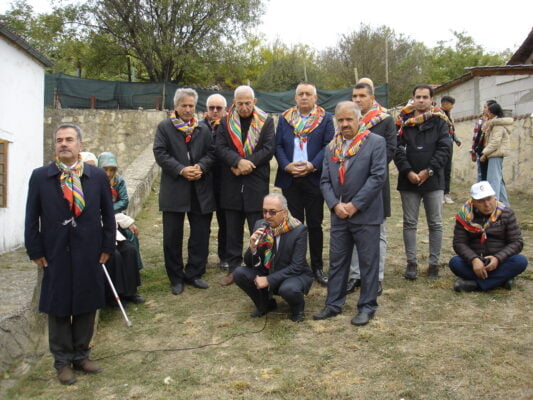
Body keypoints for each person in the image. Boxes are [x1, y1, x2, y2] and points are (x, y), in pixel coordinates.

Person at [25, 123, 115, 385]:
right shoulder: (41, 176)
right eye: (59, 140)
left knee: (87, 301)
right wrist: (34, 249)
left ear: (80, 145)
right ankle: (62, 361)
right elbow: (31, 216)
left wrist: (107, 246)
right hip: (55, 250)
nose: (63, 144)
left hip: (89, 249)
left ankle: (81, 355)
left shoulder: (96, 176)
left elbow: (108, 215)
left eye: (69, 139)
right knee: (59, 304)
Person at [313, 101, 386, 326]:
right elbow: (325, 181)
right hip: (339, 215)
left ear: (359, 119)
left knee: (368, 263)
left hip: (366, 215)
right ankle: (333, 304)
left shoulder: (375, 142)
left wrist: (355, 205)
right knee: (337, 262)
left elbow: (377, 177)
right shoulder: (331, 147)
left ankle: (367, 306)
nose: (344, 124)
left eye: (349, 119)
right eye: (340, 120)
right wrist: (335, 205)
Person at [153, 88, 215, 295]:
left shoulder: (203, 129)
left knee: (200, 234)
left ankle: (194, 273)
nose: (188, 109)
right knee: (172, 236)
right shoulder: (165, 127)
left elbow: (211, 153)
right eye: (184, 105)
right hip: (174, 188)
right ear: (176, 106)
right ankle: (176, 277)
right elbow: (160, 153)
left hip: (199, 189)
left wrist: (201, 167)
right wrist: (181, 169)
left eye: (191, 105)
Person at [274, 82, 334, 286]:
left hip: (314, 178)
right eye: (301, 94)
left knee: (315, 224)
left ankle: (317, 267)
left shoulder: (325, 118)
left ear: (315, 98)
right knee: (293, 225)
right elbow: (278, 145)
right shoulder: (285, 118)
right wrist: (286, 166)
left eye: (308, 94)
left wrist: (312, 165)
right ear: (295, 98)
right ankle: (296, 266)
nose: (304, 97)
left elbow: (328, 145)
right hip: (290, 178)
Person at [216, 85, 276, 286]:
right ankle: (234, 269)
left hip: (255, 181)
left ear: (254, 101)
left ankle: (258, 268)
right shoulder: (225, 122)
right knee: (232, 229)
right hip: (231, 182)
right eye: (240, 103)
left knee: (257, 228)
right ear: (234, 103)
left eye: (247, 103)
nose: (243, 107)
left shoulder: (266, 121)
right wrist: (236, 162)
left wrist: (246, 164)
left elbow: (268, 149)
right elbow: (220, 147)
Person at [394, 85, 452, 280]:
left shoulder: (440, 121)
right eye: (417, 97)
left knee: (435, 223)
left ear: (431, 100)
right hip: (408, 181)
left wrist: (429, 171)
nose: (421, 100)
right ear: (413, 98)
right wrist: (408, 171)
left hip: (433, 180)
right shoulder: (402, 122)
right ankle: (411, 263)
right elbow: (397, 149)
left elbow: (444, 149)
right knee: (410, 223)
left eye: (425, 97)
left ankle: (434, 264)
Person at [346, 81, 396, 296]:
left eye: (362, 96)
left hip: (375, 185)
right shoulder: (347, 121)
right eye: (354, 96)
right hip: (350, 185)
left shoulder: (385, 120)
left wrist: (365, 171)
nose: (357, 100)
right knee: (352, 231)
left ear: (372, 98)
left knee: (378, 233)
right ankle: (355, 275)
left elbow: (390, 150)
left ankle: (376, 278)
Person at [233, 193, 314, 322]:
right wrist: (253, 248)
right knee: (239, 273)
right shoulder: (260, 225)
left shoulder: (299, 230)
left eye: (272, 212)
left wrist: (269, 279)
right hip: (268, 270)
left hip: (292, 274)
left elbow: (297, 266)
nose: (267, 216)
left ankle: (298, 308)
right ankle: (265, 304)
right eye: (264, 211)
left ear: (284, 213)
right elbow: (250, 263)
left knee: (288, 289)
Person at [449, 181, 527, 292]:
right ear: (473, 202)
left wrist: (498, 258)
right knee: (455, 263)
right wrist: (474, 259)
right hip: (475, 263)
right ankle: (501, 280)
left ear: (494, 197)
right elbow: (459, 243)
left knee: (520, 261)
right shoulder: (464, 215)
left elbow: (517, 242)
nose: (487, 204)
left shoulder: (506, 213)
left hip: (500, 261)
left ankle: (475, 285)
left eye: (489, 199)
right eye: (481, 201)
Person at [98, 151, 144, 270]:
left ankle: (134, 267)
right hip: (101, 218)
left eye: (112, 170)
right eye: (105, 169)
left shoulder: (118, 181)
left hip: (116, 215)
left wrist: (109, 209)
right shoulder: (95, 182)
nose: (108, 173)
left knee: (131, 234)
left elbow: (124, 201)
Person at [200, 93, 229, 270]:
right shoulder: (198, 127)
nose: (215, 111)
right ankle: (201, 257)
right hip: (204, 181)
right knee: (202, 224)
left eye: (219, 108)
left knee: (225, 222)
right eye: (212, 108)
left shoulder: (230, 127)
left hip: (225, 182)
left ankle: (224, 256)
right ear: (207, 109)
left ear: (225, 109)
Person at [105, 212, 145, 305]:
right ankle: (114, 295)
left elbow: (111, 212)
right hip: (96, 237)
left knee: (129, 250)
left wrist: (127, 222)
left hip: (111, 234)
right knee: (114, 255)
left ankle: (130, 292)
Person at [479, 102, 511, 206]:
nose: (486, 112)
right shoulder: (495, 123)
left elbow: (494, 143)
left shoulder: (497, 125)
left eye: (488, 111)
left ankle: (494, 205)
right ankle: (505, 205)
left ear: (493, 112)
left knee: (493, 181)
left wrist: (484, 154)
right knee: (499, 181)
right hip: (495, 154)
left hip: (495, 155)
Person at [440, 95, 461, 205]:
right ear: (445, 103)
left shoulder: (449, 115)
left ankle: (446, 193)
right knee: (440, 169)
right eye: (451, 104)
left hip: (449, 145)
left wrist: (456, 139)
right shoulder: (438, 114)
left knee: (447, 170)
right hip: (440, 146)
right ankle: (439, 194)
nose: (452, 107)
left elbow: (451, 129)